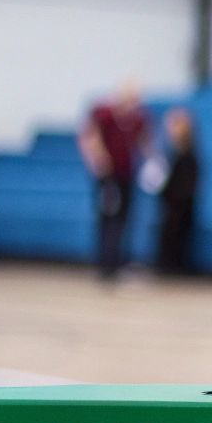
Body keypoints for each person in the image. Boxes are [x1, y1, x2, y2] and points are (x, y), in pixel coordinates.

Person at [79, 81, 151, 280]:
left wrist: (152, 163)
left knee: (124, 220)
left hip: (126, 175)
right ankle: (105, 264)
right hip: (107, 177)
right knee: (107, 218)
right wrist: (99, 160)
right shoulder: (105, 114)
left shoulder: (138, 119)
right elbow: (90, 137)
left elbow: (144, 142)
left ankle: (119, 262)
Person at [154, 107, 202, 275]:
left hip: (182, 201)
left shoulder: (189, 153)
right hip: (170, 201)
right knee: (167, 234)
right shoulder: (168, 150)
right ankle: (166, 266)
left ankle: (176, 267)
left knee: (179, 235)